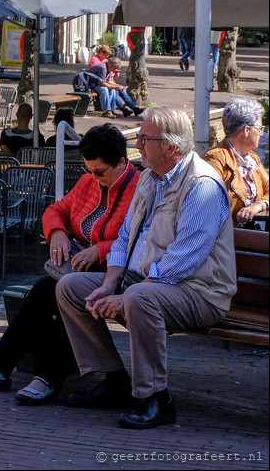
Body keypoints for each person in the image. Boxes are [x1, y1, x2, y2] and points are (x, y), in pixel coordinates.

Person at [55, 108, 236, 429]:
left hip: (200, 292)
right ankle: (113, 379)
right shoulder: (150, 177)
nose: (136, 144)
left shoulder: (202, 185)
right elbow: (126, 236)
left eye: (144, 138)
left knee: (140, 298)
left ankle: (156, 399)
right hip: (147, 282)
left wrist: (130, 294)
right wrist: (110, 284)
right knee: (69, 287)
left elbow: (185, 258)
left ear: (171, 147)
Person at [0, 125, 138, 404]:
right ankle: (6, 367)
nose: (93, 177)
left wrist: (98, 251)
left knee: (66, 295)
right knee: (44, 291)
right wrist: (57, 232)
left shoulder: (139, 189)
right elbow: (57, 210)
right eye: (88, 170)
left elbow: (139, 238)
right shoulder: (89, 181)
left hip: (115, 276)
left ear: (122, 163)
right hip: (81, 270)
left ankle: (37, 375)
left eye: (99, 172)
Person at [202, 97, 268, 227]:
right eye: (260, 129)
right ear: (247, 130)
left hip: (250, 232)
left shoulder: (252, 158)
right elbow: (205, 207)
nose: (262, 134)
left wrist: (256, 206)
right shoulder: (215, 160)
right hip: (227, 237)